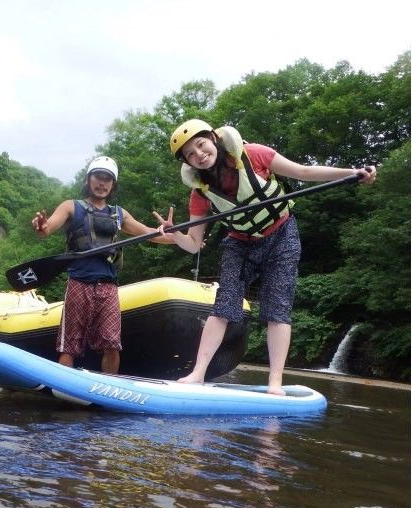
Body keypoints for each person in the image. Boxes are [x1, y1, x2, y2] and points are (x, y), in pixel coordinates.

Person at [161, 119, 377, 394]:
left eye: (200, 145)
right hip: (240, 244)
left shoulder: (255, 155)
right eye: (190, 154)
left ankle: (275, 383)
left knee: (277, 308)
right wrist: (174, 235)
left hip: (281, 234)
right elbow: (193, 244)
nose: (199, 155)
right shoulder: (199, 193)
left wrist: (352, 172)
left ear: (214, 138)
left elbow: (303, 171)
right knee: (224, 306)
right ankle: (198, 374)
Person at [31, 156, 170, 374]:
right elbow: (47, 228)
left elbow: (149, 234)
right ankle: (64, 385)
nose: (102, 183)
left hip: (108, 286)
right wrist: (41, 226)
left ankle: (108, 388)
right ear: (88, 180)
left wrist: (183, 238)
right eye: (98, 177)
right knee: (69, 346)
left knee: (112, 344)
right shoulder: (71, 207)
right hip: (78, 283)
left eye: (108, 179)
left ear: (113, 184)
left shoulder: (118, 213)